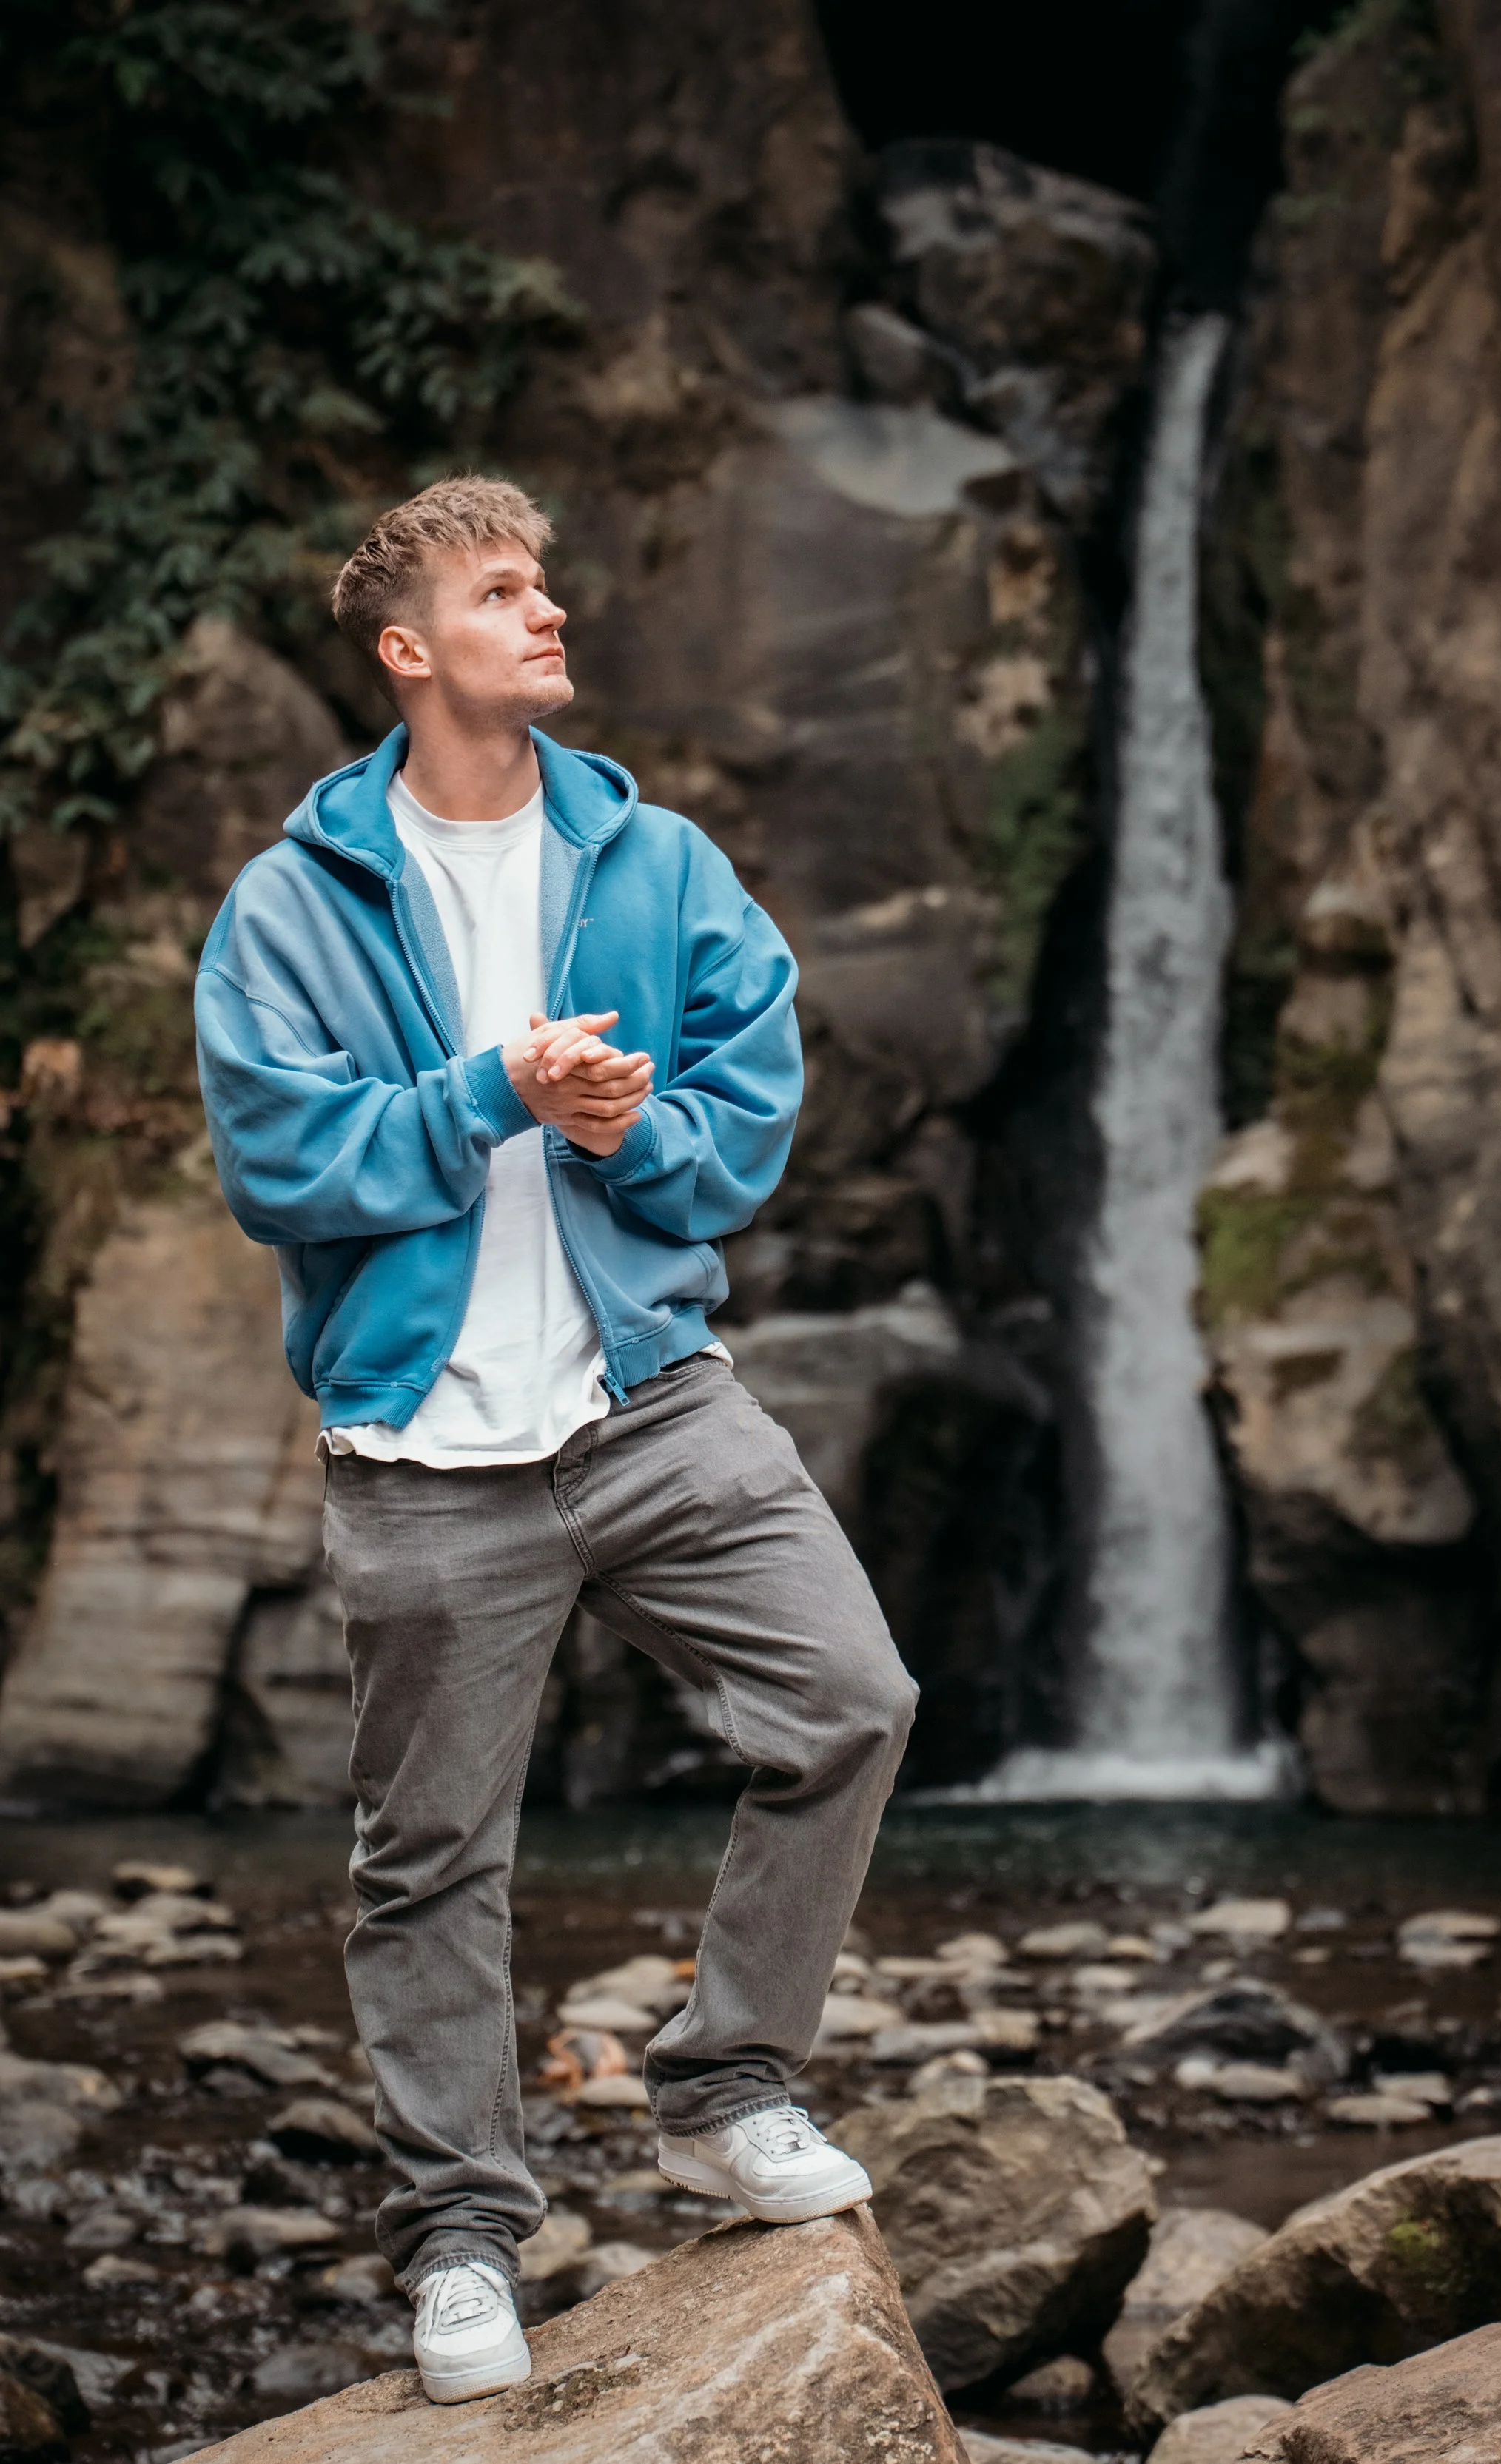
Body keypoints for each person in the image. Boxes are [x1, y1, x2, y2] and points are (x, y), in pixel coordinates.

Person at [195, 475, 917, 2405]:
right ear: (406, 650)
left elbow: (744, 1105)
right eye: (499, 593)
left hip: (648, 1395)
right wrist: (486, 1091)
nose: (547, 614)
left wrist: (624, 1133)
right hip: (427, 1444)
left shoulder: (651, 858)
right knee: (433, 1862)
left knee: (848, 1700)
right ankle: (457, 2236)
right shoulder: (296, 898)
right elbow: (281, 1158)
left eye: (547, 586)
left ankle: (724, 2085)